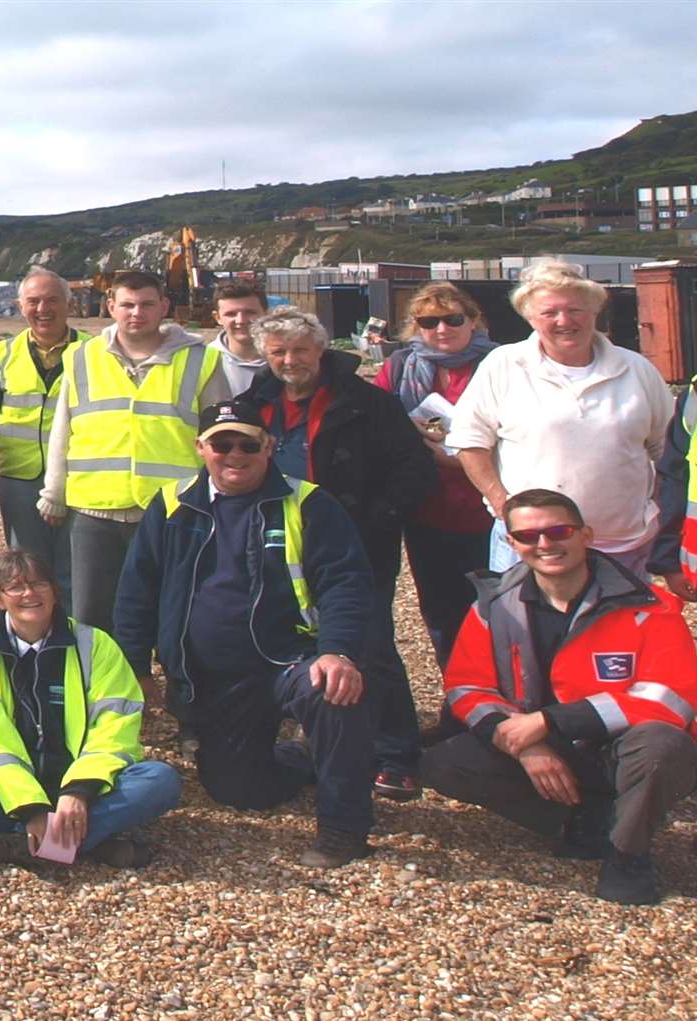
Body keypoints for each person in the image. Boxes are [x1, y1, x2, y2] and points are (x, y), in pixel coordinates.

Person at [114, 401, 378, 868]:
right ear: (201, 448)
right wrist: (136, 666)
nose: (235, 454)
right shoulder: (173, 504)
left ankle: (344, 826)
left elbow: (345, 584)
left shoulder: (309, 502)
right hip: (214, 677)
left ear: (269, 447)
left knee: (333, 692)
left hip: (290, 661)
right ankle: (303, 757)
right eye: (222, 443)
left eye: (248, 444)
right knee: (239, 791)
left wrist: (337, 651)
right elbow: (138, 588)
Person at [429, 489, 697, 906]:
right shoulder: (493, 606)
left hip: (622, 749)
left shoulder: (650, 605)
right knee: (445, 762)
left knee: (664, 744)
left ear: (586, 535)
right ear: (511, 543)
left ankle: (628, 855)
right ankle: (583, 821)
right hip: (548, 747)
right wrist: (525, 745)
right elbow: (467, 687)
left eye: (558, 531)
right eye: (528, 536)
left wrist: (549, 722)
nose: (545, 544)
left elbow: (672, 698)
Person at [235, 307, 435, 800]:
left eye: (300, 350)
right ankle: (315, 737)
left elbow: (415, 470)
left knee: (368, 644)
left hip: (356, 539)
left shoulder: (368, 402)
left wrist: (380, 515)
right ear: (265, 355)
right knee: (283, 636)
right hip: (276, 542)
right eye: (278, 351)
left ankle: (395, 753)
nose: (290, 360)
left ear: (320, 350)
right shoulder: (252, 404)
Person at [0, 551, 182, 876]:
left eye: (38, 584)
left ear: (55, 592)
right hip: (6, 785)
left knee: (160, 781)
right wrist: (30, 806)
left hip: (80, 783)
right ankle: (87, 841)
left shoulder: (96, 644)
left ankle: (15, 845)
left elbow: (114, 727)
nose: (29, 594)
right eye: (16, 587)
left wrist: (78, 791)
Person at [448, 258, 673, 578]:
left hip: (622, 545)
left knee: (619, 628)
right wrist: (502, 504)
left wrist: (658, 509)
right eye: (549, 312)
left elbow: (668, 450)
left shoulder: (637, 369)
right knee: (525, 628)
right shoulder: (504, 365)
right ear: (530, 318)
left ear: (595, 312)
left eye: (576, 310)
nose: (564, 320)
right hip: (530, 544)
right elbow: (469, 443)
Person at [38, 269, 227, 628]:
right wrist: (54, 492)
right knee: (92, 616)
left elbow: (220, 438)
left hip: (173, 507)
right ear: (111, 306)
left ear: (164, 307)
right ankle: (102, 684)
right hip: (94, 509)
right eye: (127, 305)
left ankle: (172, 682)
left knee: (174, 613)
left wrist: (220, 500)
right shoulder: (81, 357)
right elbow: (63, 429)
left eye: (146, 305)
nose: (136, 313)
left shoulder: (199, 359)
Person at [370, 283, 500, 666]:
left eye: (453, 319)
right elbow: (379, 424)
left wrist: (461, 459)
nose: (442, 329)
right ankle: (458, 705)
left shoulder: (502, 364)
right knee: (442, 614)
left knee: (500, 613)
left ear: (473, 321)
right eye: (429, 321)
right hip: (428, 510)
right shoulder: (398, 368)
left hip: (492, 508)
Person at [0, 268, 87, 595]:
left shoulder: (93, 353)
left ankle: (73, 634)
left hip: (79, 478)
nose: (44, 309)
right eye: (34, 301)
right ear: (19, 306)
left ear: (70, 304)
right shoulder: (2, 356)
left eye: (53, 300)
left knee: (76, 568)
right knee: (28, 568)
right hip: (19, 481)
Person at [208, 281, 270, 396]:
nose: (241, 320)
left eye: (250, 312)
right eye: (231, 314)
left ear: (266, 314)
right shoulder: (202, 361)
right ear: (217, 318)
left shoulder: (287, 359)